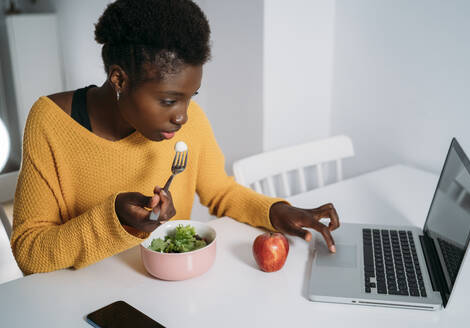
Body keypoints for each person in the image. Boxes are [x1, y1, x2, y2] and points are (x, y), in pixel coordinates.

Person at [11, 0, 340, 275]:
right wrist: (114, 219)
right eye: (168, 100)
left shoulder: (188, 120)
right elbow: (29, 251)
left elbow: (220, 191)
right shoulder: (52, 123)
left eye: (191, 96)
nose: (183, 115)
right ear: (119, 78)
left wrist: (276, 211)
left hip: (171, 289)